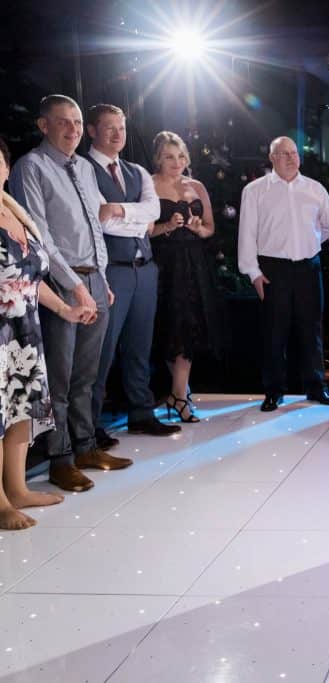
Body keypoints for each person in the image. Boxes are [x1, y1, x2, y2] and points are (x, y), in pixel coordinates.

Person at [9, 94, 132, 493]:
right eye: (64, 122)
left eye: (78, 122)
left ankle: (86, 446)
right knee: (59, 381)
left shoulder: (82, 166)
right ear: (44, 125)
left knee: (87, 375)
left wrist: (102, 279)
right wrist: (78, 287)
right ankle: (60, 457)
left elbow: (93, 226)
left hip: (94, 278)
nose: (73, 129)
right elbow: (40, 235)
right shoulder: (31, 167)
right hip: (61, 284)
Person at [0, 137, 94, 528]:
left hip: (25, 329)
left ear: (6, 167)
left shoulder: (15, 211)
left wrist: (66, 310)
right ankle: (1, 502)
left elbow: (29, 277)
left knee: (22, 408)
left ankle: (18, 488)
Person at [84, 105, 179, 445]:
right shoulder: (84, 169)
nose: (116, 134)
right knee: (102, 351)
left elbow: (153, 213)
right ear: (92, 130)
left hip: (144, 269)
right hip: (111, 271)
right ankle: (89, 426)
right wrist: (135, 219)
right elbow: (100, 220)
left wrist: (123, 210)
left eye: (121, 127)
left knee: (140, 347)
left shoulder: (137, 170)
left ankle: (141, 413)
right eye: (108, 127)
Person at [238, 136, 329, 412]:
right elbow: (246, 233)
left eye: (294, 153)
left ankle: (317, 387)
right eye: (283, 154)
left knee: (312, 331)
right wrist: (253, 273)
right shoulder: (255, 190)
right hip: (273, 270)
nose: (291, 158)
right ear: (272, 158)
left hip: (309, 266)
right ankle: (273, 391)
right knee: (274, 332)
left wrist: (313, 243)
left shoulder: (315, 189)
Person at [150, 131, 223, 422]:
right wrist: (167, 225)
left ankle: (179, 395)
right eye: (169, 156)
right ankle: (180, 394)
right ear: (158, 158)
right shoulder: (149, 185)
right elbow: (144, 231)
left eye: (180, 156)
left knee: (190, 326)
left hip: (194, 264)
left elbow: (210, 228)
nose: (176, 162)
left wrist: (196, 229)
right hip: (162, 264)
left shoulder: (197, 186)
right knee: (170, 327)